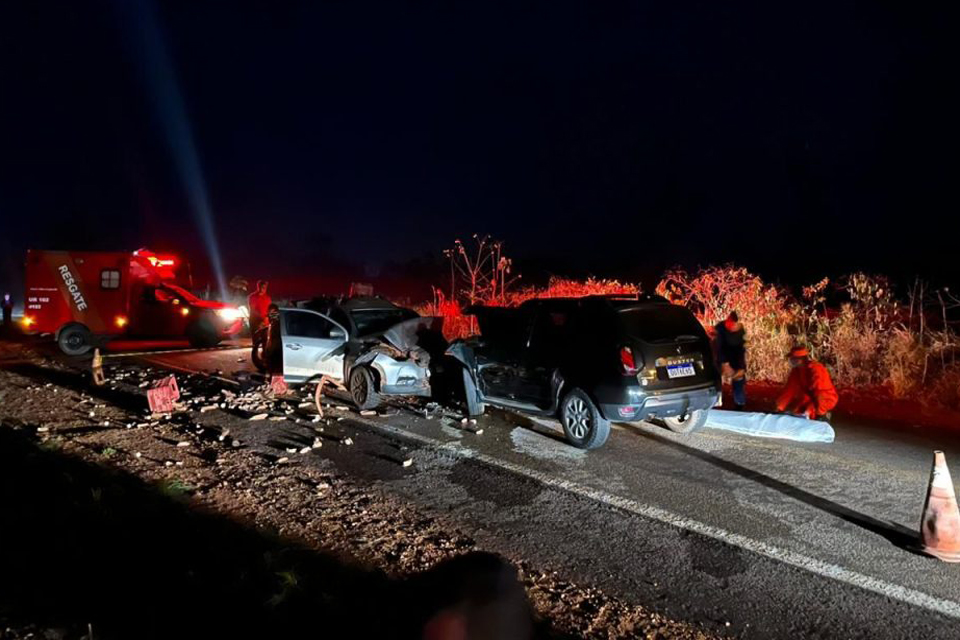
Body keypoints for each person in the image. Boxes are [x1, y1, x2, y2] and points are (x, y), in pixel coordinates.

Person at [776, 346, 839, 420]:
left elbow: (821, 393)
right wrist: (779, 408)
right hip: (812, 399)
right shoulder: (796, 371)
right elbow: (789, 391)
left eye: (793, 359)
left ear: (800, 359)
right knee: (797, 412)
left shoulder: (816, 369)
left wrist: (820, 413)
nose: (791, 361)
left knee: (810, 415)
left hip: (826, 399)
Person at [715, 311, 747, 409]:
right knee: (716, 379)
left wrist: (741, 367)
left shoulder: (740, 333)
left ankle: (739, 403)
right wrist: (725, 363)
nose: (733, 327)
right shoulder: (721, 331)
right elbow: (719, 348)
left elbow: (740, 350)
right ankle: (716, 401)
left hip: (736, 359)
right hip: (720, 358)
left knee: (739, 379)